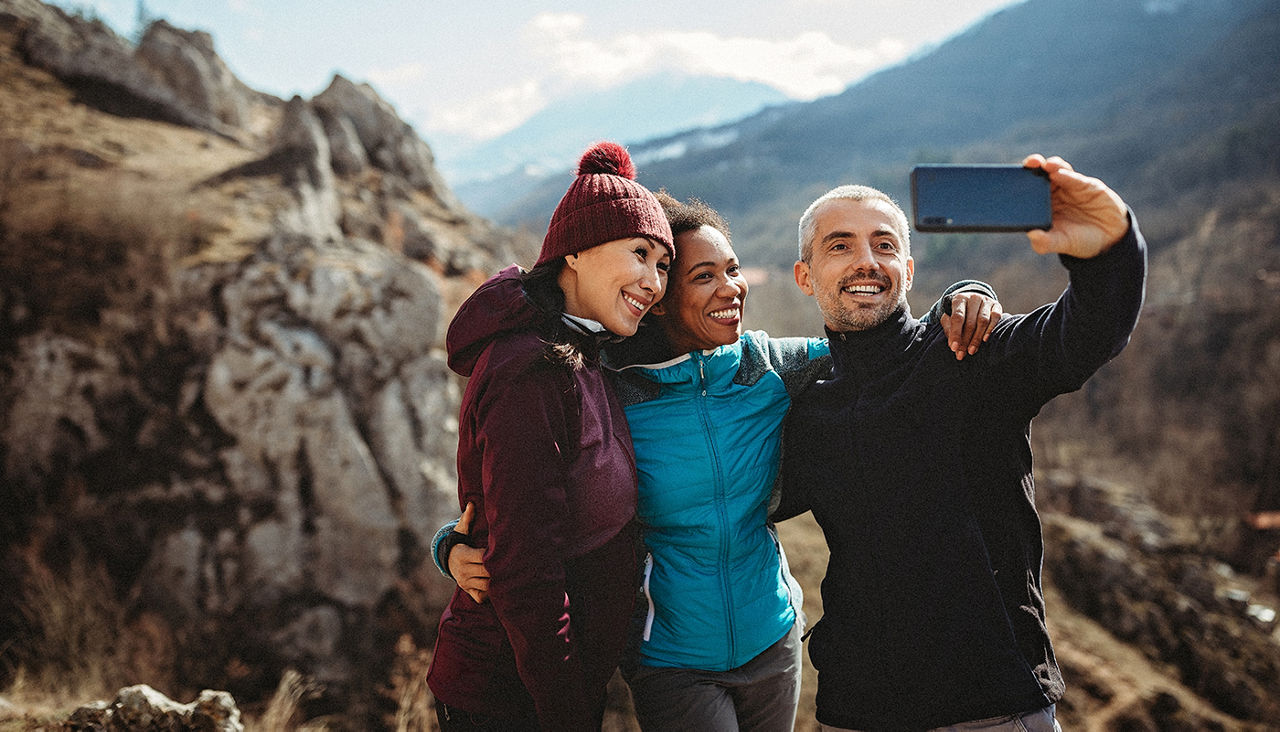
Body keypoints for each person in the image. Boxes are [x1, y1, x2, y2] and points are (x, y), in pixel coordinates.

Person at [436, 191, 1003, 730]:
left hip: (773, 637)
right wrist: (456, 542)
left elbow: (882, 348)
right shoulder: (611, 387)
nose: (731, 288)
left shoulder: (769, 366)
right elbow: (536, 486)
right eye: (703, 276)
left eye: (732, 269)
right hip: (671, 656)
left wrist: (966, 296)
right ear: (660, 303)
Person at [776, 154, 1147, 731]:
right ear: (806, 276)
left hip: (991, 702)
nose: (867, 261)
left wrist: (1109, 251)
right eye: (840, 246)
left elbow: (1080, 334)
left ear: (909, 268)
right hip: (857, 707)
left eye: (885, 244)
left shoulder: (967, 350)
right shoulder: (807, 404)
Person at [425, 141, 674, 732]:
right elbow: (527, 568)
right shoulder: (530, 371)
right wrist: (567, 713)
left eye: (662, 264)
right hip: (510, 695)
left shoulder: (586, 349)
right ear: (575, 252)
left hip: (552, 681)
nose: (654, 281)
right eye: (639, 253)